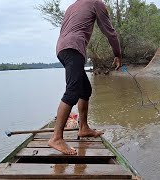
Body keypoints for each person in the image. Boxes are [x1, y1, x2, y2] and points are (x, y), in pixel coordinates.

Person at [48, 0, 122, 155]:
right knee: (73, 91)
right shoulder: (96, 3)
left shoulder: (72, 6)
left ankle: (83, 128)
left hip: (62, 48)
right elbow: (109, 32)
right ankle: (56, 138)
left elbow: (65, 29)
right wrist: (117, 54)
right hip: (73, 47)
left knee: (85, 89)